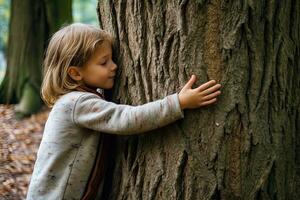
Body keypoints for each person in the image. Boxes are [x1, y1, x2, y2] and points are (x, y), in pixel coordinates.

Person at [26, 23, 222, 200]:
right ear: (76, 73)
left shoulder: (76, 100)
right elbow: (126, 119)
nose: (114, 66)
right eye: (104, 63)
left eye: (112, 59)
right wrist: (178, 102)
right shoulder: (78, 103)